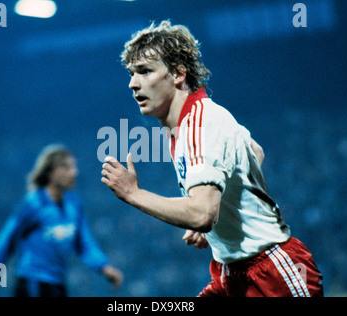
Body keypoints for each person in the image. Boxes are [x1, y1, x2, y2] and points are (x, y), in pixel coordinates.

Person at [101, 20, 323, 297]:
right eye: (132, 73)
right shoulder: (191, 121)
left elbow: (202, 214)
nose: (133, 84)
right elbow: (254, 151)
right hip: (232, 271)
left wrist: (133, 194)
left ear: (178, 74)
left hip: (272, 272)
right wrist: (217, 211)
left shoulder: (199, 123)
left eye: (145, 71)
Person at [0, 144, 123, 297]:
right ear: (50, 172)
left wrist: (105, 268)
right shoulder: (33, 204)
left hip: (57, 284)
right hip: (32, 284)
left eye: (74, 167)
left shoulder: (74, 204)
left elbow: (84, 243)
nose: (74, 173)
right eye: (66, 167)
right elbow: (5, 245)